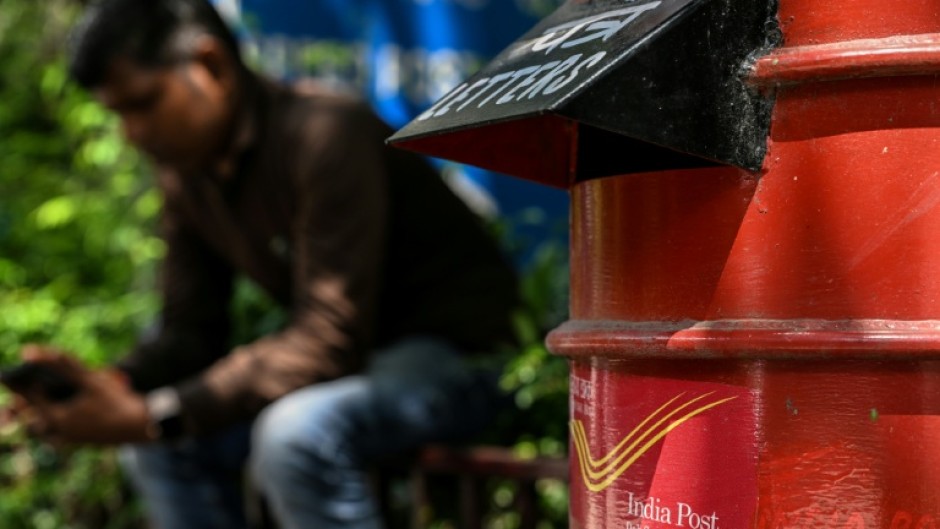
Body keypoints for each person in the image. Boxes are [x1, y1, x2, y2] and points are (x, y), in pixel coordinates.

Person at [5, 0, 520, 528]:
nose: (132, 132)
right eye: (118, 115)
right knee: (158, 447)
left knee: (293, 434)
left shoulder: (326, 132)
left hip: (461, 358)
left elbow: (328, 340)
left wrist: (156, 415)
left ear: (212, 65)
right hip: (359, 364)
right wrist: (112, 385)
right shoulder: (188, 173)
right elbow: (190, 331)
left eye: (144, 103)